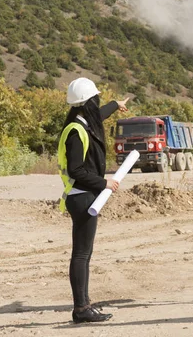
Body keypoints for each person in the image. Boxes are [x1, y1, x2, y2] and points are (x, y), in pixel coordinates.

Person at [57, 77, 129, 323]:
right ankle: (81, 309)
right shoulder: (76, 131)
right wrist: (104, 183)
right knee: (81, 254)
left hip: (84, 196)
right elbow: (76, 170)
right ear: (88, 102)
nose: (98, 104)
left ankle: (83, 305)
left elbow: (99, 115)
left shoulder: (82, 121)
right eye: (96, 99)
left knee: (83, 254)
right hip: (82, 197)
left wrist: (115, 104)